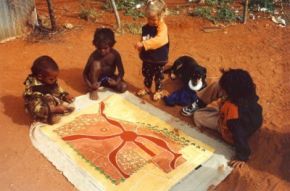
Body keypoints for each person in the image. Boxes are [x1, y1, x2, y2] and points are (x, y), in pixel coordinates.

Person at [183, 69, 263, 167]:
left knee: (198, 115)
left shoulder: (233, 112)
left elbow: (238, 134)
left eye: (225, 90)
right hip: (246, 116)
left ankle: (203, 107)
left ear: (231, 92)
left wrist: (243, 156)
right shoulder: (248, 89)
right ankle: (200, 102)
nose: (223, 91)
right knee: (217, 85)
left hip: (229, 128)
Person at [23, 56, 74, 124]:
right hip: (37, 106)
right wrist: (53, 109)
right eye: (52, 79)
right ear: (40, 77)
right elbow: (36, 109)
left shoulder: (49, 79)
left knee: (66, 104)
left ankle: (54, 108)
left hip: (45, 98)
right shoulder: (35, 91)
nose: (55, 80)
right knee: (52, 115)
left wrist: (64, 95)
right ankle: (47, 117)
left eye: (56, 78)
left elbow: (57, 89)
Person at [135, 0, 169, 101]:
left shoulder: (163, 27)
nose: (151, 22)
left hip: (159, 58)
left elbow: (160, 40)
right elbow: (144, 38)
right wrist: (140, 48)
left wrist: (144, 44)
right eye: (149, 19)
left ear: (161, 16)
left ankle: (158, 91)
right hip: (148, 58)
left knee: (158, 76)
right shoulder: (145, 27)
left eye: (154, 19)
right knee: (147, 74)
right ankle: (147, 88)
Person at [83, 28, 127, 100]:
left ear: (111, 45)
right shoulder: (94, 55)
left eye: (105, 48)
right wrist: (91, 86)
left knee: (123, 87)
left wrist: (116, 82)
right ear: (96, 45)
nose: (102, 51)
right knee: (96, 64)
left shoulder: (115, 55)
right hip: (95, 80)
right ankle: (94, 90)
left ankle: (106, 85)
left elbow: (121, 71)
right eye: (99, 48)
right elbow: (85, 74)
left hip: (108, 79)